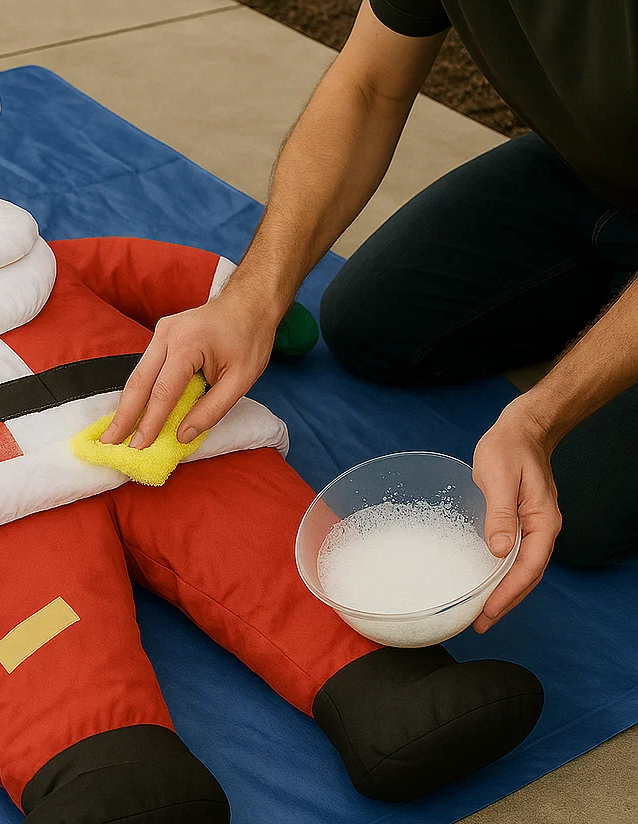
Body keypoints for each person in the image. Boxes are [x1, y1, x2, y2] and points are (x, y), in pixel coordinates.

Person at [102, 1, 638, 633]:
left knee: (579, 504)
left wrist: (542, 414)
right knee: (374, 327)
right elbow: (369, 85)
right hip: (591, 174)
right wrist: (252, 296)